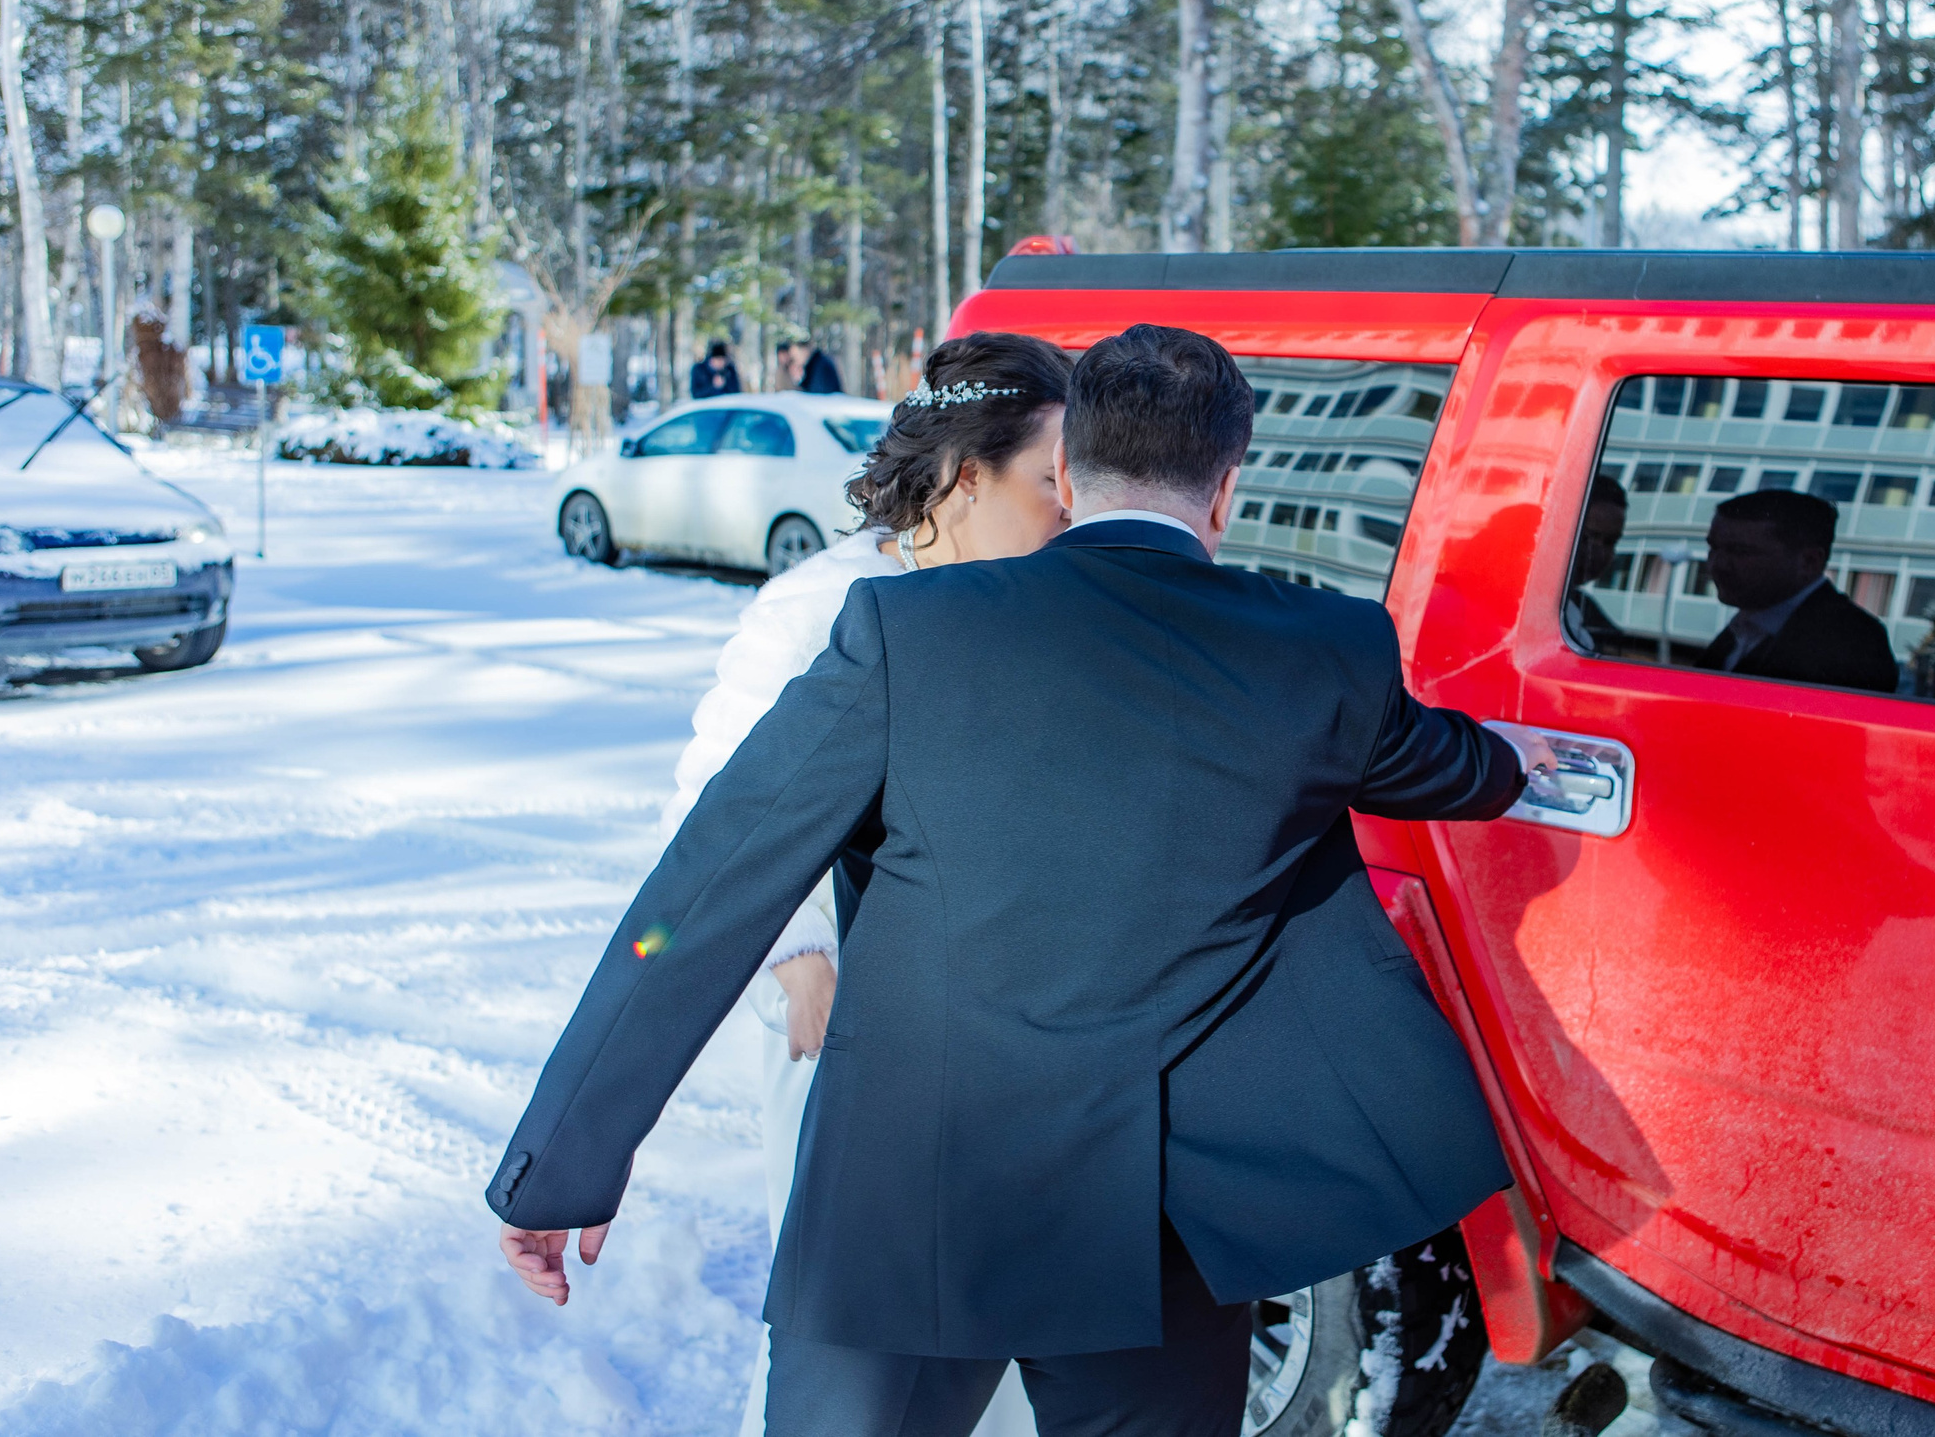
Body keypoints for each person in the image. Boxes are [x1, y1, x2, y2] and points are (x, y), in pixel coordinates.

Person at [491, 323, 1561, 1437]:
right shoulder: (1324, 651)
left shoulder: (908, 634)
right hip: (1159, 1228)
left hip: (911, 1196)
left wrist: (564, 1161)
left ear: (1068, 473)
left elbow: (705, 893)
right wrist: (1518, 762)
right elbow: (1446, 765)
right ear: (1227, 487)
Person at [656, 332, 1072, 1437]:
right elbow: (718, 807)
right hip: (845, 1028)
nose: (1069, 508)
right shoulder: (820, 608)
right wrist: (799, 959)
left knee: (997, 1341)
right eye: (1050, 480)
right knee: (851, 1347)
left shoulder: (1033, 600)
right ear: (967, 477)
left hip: (1002, 1040)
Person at [1694, 488, 1899, 692]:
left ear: (1809, 562)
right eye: (1713, 548)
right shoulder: (1748, 625)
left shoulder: (1854, 643)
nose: (1717, 564)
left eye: (1741, 551)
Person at [1562, 473, 1631, 655]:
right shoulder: (1538, 609)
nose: (1599, 552)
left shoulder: (1583, 607)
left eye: (1610, 541)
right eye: (1587, 537)